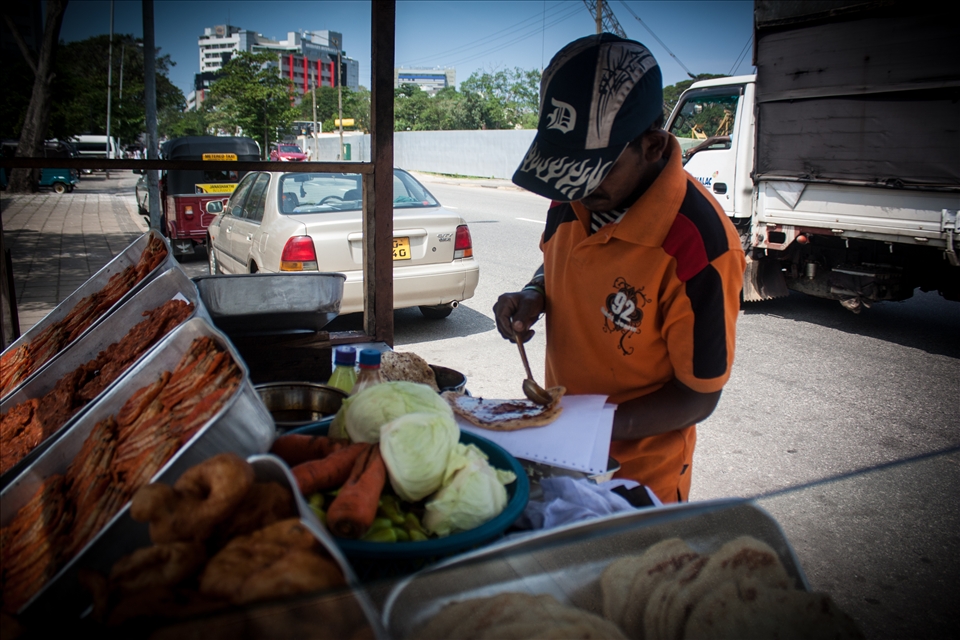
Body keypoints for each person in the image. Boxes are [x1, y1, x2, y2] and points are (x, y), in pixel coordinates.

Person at [494, 34, 745, 504]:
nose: (576, 189)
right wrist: (534, 294)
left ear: (652, 146)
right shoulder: (573, 197)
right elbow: (559, 261)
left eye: (592, 170)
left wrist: (587, 424)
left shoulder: (700, 248)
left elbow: (699, 396)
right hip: (560, 455)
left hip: (636, 483)